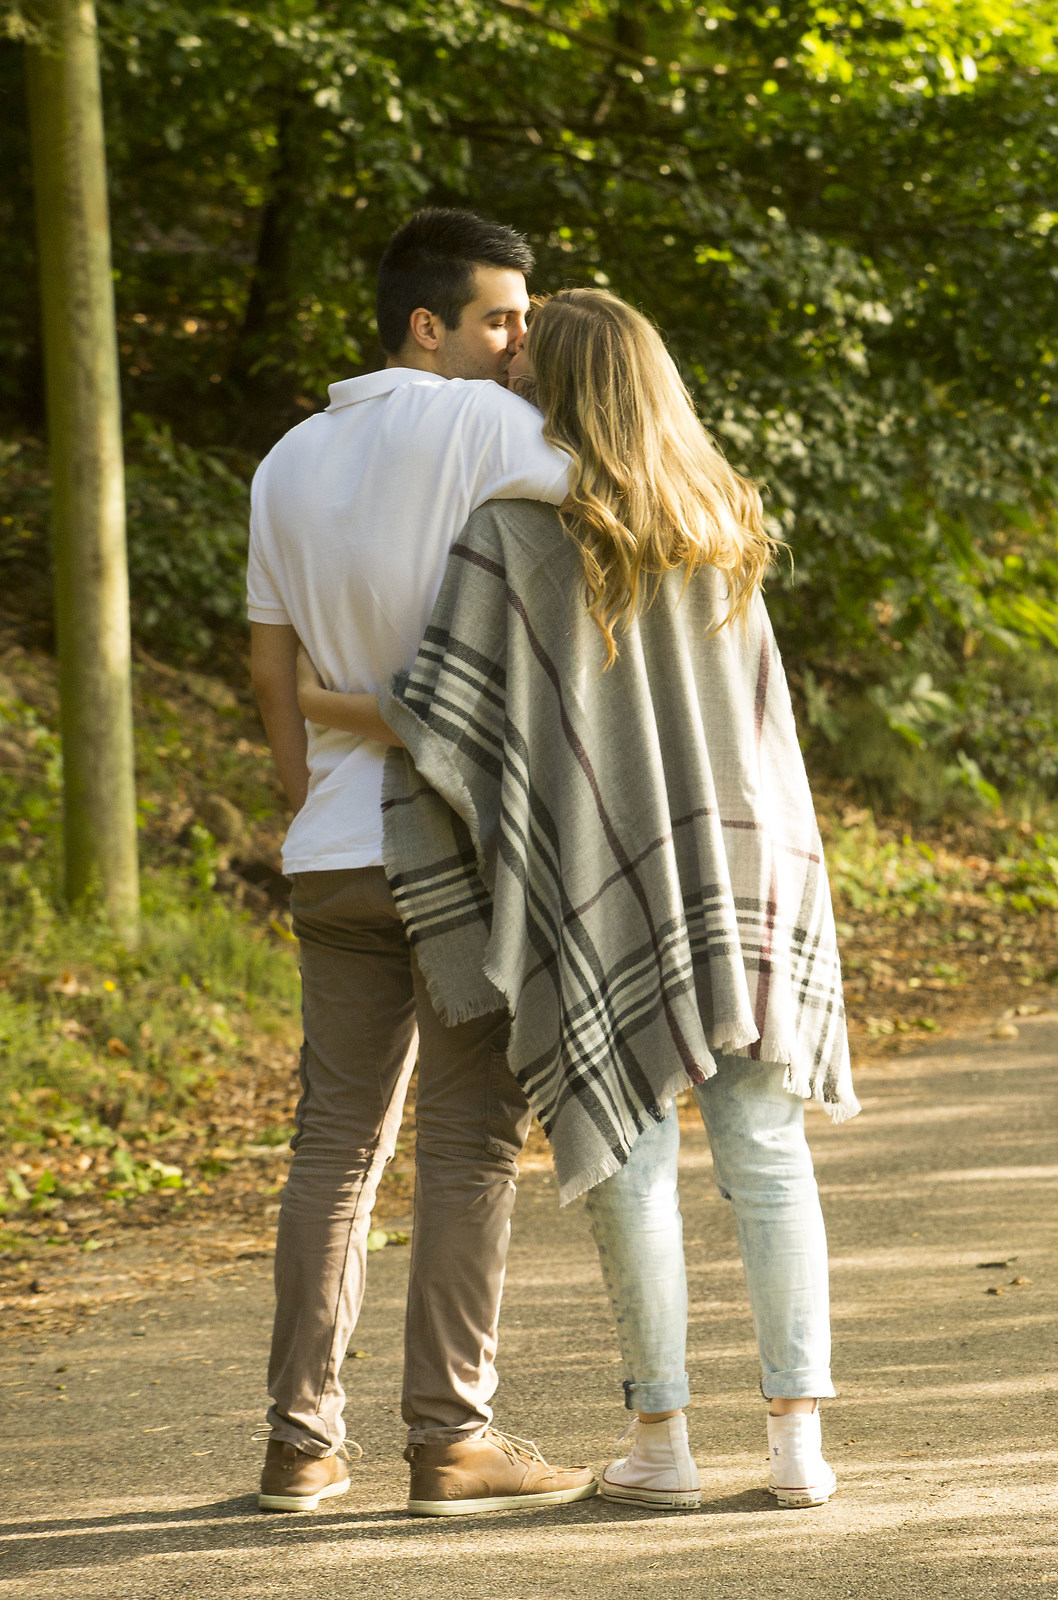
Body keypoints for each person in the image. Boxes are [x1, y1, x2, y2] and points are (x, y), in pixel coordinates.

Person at [300, 287, 857, 1512]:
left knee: (631, 1157)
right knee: (768, 1152)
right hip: (747, 858)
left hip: (603, 879)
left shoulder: (513, 530)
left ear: (549, 390)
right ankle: (797, 1443)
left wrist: (320, 701)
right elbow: (762, 717)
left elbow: (449, 718)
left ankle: (663, 1443)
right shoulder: (722, 514)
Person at [246, 208, 597, 1517]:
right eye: (504, 317)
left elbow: (272, 664)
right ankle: (451, 1440)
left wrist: (307, 796)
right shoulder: (505, 432)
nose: (523, 342)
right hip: (465, 844)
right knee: (463, 1146)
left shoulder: (287, 459)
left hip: (335, 847)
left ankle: (299, 1444)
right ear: (427, 323)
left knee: (332, 1148)